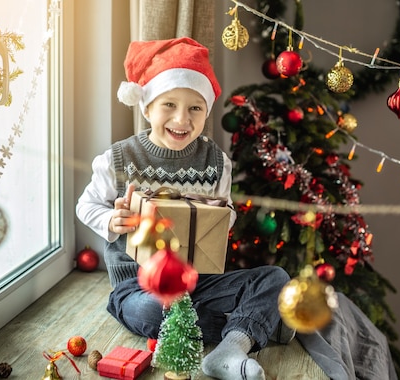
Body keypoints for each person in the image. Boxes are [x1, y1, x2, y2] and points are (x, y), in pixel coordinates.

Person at [75, 37, 293, 380]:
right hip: (138, 286)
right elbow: (86, 205)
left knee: (275, 278)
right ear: (147, 107)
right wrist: (111, 219)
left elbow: (229, 212)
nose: (182, 118)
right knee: (153, 310)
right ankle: (251, 328)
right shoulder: (118, 159)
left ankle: (229, 350)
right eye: (169, 105)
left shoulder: (216, 162)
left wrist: (221, 215)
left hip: (202, 281)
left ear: (206, 112)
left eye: (195, 107)